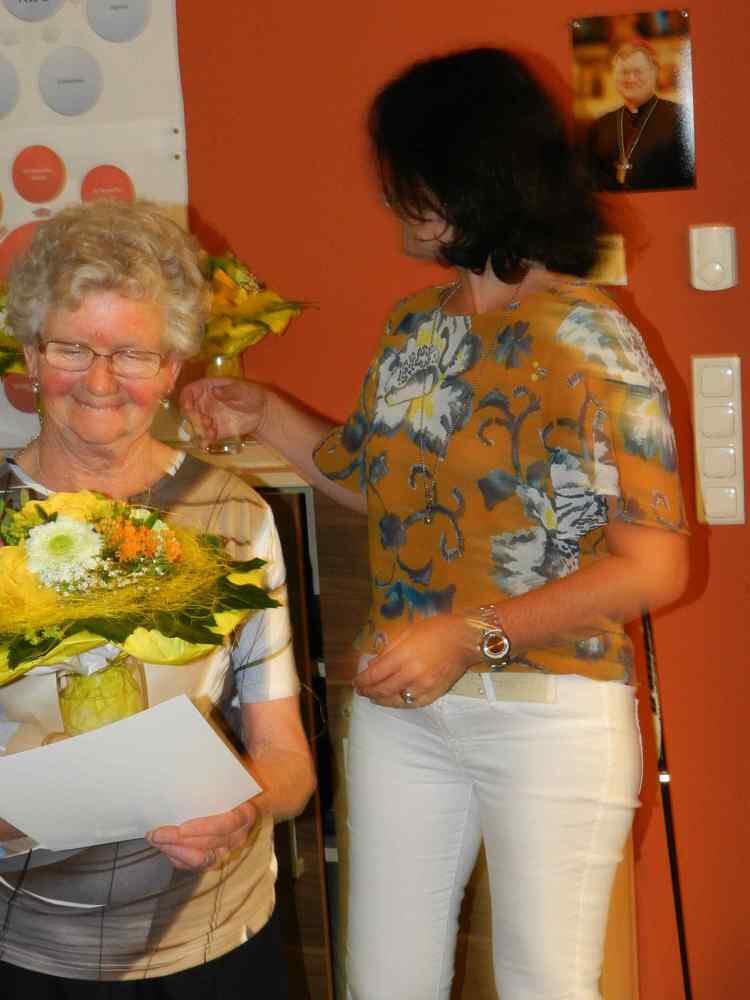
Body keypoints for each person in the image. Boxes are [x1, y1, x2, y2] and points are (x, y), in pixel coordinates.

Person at [181, 48, 689, 1000]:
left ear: (470, 172)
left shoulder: (591, 338)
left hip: (548, 715)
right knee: (384, 986)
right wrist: (262, 411)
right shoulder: (417, 324)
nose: (388, 197)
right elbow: (372, 479)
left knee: (545, 986)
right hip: (404, 713)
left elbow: (655, 564)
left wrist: (468, 635)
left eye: (404, 175)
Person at [0, 199, 316, 997]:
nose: (101, 381)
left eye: (134, 354)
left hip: (211, 940)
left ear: (173, 368)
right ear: (30, 353)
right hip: (26, 947)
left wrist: (244, 806)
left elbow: (288, 763)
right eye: (72, 348)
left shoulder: (235, 517)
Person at [587, 40, 695, 191]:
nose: (631, 79)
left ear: (654, 73)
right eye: (624, 72)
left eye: (638, 72)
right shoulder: (600, 126)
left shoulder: (680, 118)